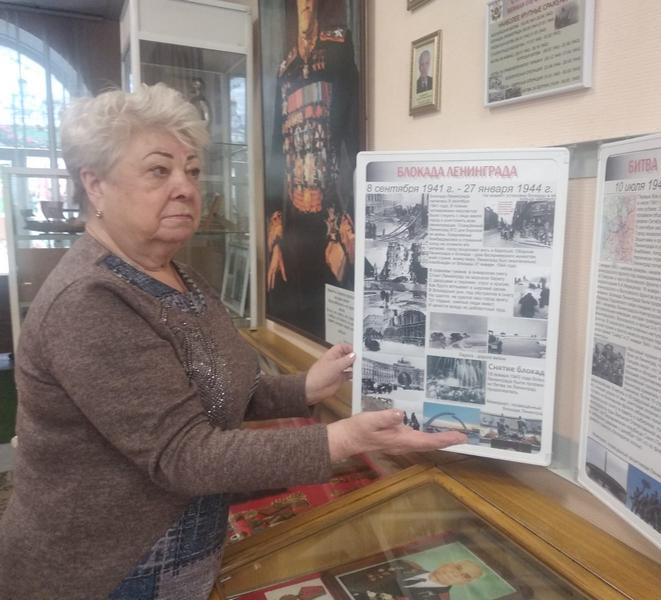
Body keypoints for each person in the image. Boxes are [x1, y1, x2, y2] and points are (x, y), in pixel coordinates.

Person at [0, 84, 465, 600]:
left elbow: (215, 391)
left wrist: (304, 388)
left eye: (192, 171)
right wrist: (345, 439)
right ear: (95, 185)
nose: (185, 187)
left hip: (186, 550)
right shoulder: (89, 300)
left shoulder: (180, 277)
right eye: (159, 171)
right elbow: (184, 454)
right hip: (109, 570)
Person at [266, 0, 359, 339]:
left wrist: (344, 226)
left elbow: (353, 144)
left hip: (329, 215)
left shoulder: (337, 50)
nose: (305, 5)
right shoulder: (285, 69)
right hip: (295, 222)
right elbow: (277, 155)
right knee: (297, 317)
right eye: (299, 2)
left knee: (331, 326)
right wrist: (276, 236)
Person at [339, 557, 484, 600]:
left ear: (464, 583)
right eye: (458, 568)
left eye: (465, 576)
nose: (456, 574)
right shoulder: (405, 564)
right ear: (448, 563)